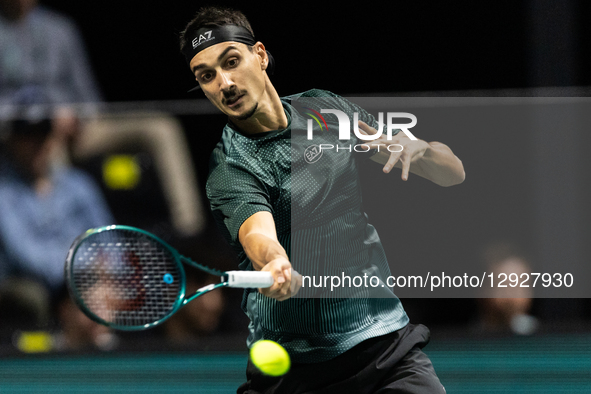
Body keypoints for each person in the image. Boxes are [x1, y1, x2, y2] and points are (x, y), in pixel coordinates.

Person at [179, 6, 465, 393]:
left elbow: (452, 173)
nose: (224, 83)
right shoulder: (230, 166)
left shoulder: (323, 112)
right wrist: (275, 262)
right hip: (296, 372)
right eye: (207, 76)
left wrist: (420, 150)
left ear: (259, 55)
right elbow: (258, 235)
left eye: (231, 62)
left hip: (383, 347)